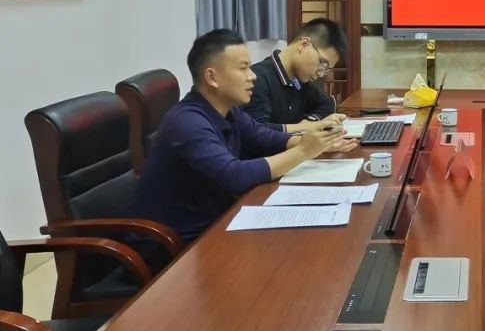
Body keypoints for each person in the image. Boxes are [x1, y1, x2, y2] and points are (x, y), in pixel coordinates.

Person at [133, 29, 356, 242]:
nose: (252, 76)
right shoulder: (187, 121)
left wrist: (317, 143)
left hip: (219, 222)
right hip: (178, 243)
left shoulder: (229, 110)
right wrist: (304, 151)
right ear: (212, 77)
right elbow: (234, 175)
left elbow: (263, 137)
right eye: (243, 69)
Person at [245, 17, 347, 133]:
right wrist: (307, 127)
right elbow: (257, 131)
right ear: (304, 44)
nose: (321, 74)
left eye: (326, 69)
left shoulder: (299, 81)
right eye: (322, 63)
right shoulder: (257, 79)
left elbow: (327, 105)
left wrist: (310, 121)